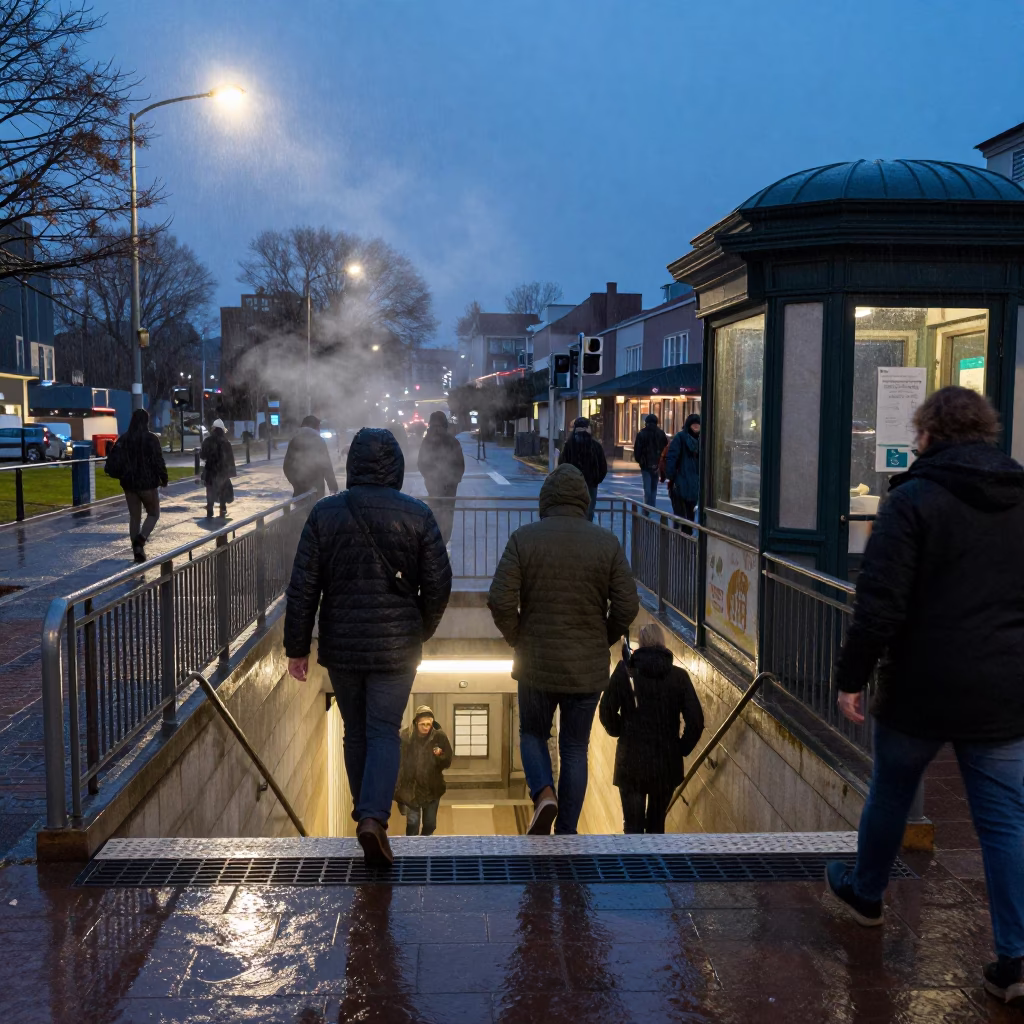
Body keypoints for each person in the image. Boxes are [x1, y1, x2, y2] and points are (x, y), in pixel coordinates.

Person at [824, 386, 1024, 1007]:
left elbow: (880, 603)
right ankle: (1015, 959)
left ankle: (867, 894)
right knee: (1005, 822)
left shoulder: (912, 501)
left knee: (892, 788)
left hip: (920, 684)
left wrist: (851, 676)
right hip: (1003, 691)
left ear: (929, 436)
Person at [284, 428, 452, 869]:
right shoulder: (417, 514)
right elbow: (438, 584)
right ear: (396, 465)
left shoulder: (325, 513)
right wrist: (421, 630)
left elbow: (303, 587)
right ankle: (374, 819)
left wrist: (297, 647)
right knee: (383, 729)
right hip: (397, 647)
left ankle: (365, 813)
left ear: (352, 463)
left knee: (354, 730)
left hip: (342, 644)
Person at [488, 464, 639, 836]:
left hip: (536, 662)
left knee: (533, 733)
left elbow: (500, 600)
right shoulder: (607, 543)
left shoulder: (524, 539)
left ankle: (543, 795)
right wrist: (601, 638)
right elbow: (627, 606)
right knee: (575, 747)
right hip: (585, 670)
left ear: (546, 500)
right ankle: (568, 831)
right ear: (584, 501)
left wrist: (517, 637)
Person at [599, 622, 704, 834]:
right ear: (662, 644)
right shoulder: (679, 677)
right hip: (666, 764)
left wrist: (620, 729)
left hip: (631, 763)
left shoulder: (624, 673)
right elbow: (696, 721)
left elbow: (606, 711)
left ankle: (635, 865)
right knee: (657, 825)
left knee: (633, 826)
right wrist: (680, 748)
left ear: (640, 644)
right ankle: (655, 865)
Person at [104, 408, 168, 563]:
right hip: (147, 483)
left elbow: (115, 460)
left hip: (129, 483)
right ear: (146, 421)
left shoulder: (124, 439)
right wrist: (163, 477)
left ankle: (136, 552)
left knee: (135, 517)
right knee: (153, 514)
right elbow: (158, 460)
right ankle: (141, 539)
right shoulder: (151, 439)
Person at [395, 705, 453, 837]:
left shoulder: (439, 737)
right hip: (410, 787)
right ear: (416, 723)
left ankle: (426, 847)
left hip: (432, 787)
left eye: (429, 724)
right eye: (423, 724)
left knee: (430, 824)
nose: (426, 727)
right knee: (413, 822)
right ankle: (412, 850)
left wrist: (440, 755)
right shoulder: (405, 737)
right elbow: (398, 762)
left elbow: (447, 761)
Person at [417, 411, 466, 544]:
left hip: (436, 486)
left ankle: (435, 544)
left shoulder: (427, 441)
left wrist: (429, 478)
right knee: (447, 515)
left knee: (435, 514)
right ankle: (443, 542)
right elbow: (460, 464)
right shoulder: (452, 441)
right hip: (448, 487)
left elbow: (421, 463)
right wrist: (453, 481)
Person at [558, 416, 608, 522]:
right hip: (590, 485)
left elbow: (561, 465)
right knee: (588, 512)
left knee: (573, 512)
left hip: (572, 484)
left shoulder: (569, 446)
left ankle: (575, 535)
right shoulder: (595, 446)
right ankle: (586, 534)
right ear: (588, 428)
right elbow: (603, 467)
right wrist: (595, 480)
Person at [283, 414, 339, 499]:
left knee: (300, 510)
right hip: (317, 489)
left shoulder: (295, 440)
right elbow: (326, 465)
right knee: (315, 510)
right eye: (319, 427)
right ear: (315, 427)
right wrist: (333, 488)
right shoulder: (318, 440)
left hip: (299, 490)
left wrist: (296, 483)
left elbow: (286, 465)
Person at [664, 414, 701, 526]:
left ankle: (680, 539)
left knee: (680, 516)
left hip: (681, 483)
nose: (696, 427)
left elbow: (671, 458)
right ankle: (685, 538)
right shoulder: (702, 440)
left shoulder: (680, 437)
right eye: (694, 424)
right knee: (688, 517)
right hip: (692, 484)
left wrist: (671, 476)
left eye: (697, 424)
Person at [200, 419, 237, 519]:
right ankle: (222, 508)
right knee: (223, 488)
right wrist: (231, 472)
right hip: (222, 471)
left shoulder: (207, 441)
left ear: (214, 429)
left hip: (210, 469)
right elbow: (230, 458)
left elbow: (202, 455)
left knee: (210, 489)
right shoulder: (226, 442)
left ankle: (210, 508)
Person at [633, 413, 668, 509]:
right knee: (653, 488)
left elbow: (637, 451)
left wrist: (640, 461)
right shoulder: (661, 433)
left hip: (645, 465)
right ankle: (652, 507)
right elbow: (666, 449)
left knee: (647, 488)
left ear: (646, 423)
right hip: (657, 464)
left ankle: (647, 508)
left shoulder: (642, 434)